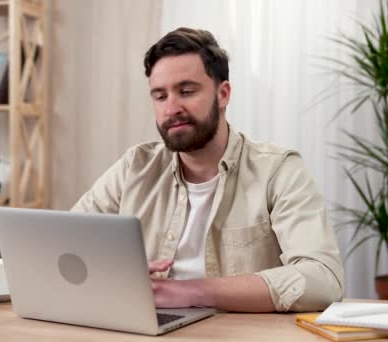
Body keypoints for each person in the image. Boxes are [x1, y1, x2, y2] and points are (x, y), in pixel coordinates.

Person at [72, 27, 344, 312]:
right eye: (160, 96)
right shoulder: (135, 167)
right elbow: (66, 245)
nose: (171, 108)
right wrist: (116, 272)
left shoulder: (278, 170)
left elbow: (323, 278)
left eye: (186, 91)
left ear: (223, 94)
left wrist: (191, 292)